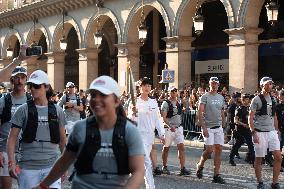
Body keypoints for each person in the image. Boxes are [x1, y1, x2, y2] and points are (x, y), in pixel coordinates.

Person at [32, 75, 145, 189]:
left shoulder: (130, 131)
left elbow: (138, 171)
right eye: (94, 95)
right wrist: (42, 186)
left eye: (103, 95)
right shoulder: (80, 128)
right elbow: (64, 162)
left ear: (116, 101)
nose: (96, 99)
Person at [6, 70, 67, 189]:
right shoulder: (22, 110)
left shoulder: (58, 110)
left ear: (47, 87)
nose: (33, 89)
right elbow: (12, 139)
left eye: (37, 86)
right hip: (28, 168)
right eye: (31, 86)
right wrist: (11, 162)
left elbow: (63, 140)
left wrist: (63, 166)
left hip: (52, 167)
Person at [128, 77, 165, 189]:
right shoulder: (134, 102)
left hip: (149, 137)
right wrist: (133, 113)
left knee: (140, 165)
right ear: (140, 88)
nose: (147, 88)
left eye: (149, 85)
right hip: (138, 137)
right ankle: (151, 187)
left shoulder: (153, 102)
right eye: (145, 85)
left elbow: (158, 119)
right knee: (147, 163)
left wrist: (162, 134)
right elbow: (130, 121)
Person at [249, 77, 282, 189]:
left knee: (278, 157)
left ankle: (275, 182)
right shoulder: (256, 99)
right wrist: (253, 133)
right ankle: (260, 182)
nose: (270, 86)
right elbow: (251, 117)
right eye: (267, 84)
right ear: (262, 85)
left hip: (272, 131)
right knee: (259, 158)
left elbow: (275, 116)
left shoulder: (273, 99)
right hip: (260, 132)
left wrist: (277, 130)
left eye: (271, 84)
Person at [0, 66, 30, 189]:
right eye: (16, 78)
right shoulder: (4, 100)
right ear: (12, 81)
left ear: (26, 80)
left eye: (22, 77)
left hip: (26, 151)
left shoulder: (31, 100)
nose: (20, 81)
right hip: (5, 150)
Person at [196, 77, 226, 184]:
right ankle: (200, 164)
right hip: (208, 127)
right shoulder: (205, 96)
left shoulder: (221, 97)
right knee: (209, 150)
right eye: (212, 83)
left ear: (218, 85)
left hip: (218, 128)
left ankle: (216, 175)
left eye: (216, 84)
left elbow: (222, 111)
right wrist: (203, 127)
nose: (214, 85)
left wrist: (224, 123)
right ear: (209, 84)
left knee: (218, 150)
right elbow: (200, 112)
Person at [160, 86, 191, 176]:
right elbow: (163, 118)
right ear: (168, 92)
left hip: (178, 128)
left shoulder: (178, 102)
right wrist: (170, 126)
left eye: (175, 91)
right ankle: (164, 166)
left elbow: (184, 110)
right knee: (166, 148)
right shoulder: (165, 103)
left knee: (181, 147)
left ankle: (182, 168)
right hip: (168, 129)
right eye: (172, 91)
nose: (173, 93)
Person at [229, 94, 255, 166]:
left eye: (248, 99)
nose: (248, 100)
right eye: (246, 99)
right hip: (239, 129)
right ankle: (231, 158)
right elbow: (235, 120)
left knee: (251, 145)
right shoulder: (239, 108)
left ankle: (253, 161)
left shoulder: (250, 108)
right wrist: (244, 124)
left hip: (247, 130)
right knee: (238, 144)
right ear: (243, 100)